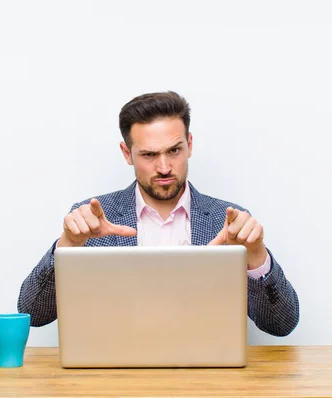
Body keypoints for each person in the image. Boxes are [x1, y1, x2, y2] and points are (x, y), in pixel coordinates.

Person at [17, 91, 299, 336]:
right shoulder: (92, 222)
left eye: (174, 150)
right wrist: (67, 247)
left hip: (208, 377)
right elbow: (33, 313)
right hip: (115, 379)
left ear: (190, 144)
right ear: (127, 154)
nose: (164, 167)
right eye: (149, 155)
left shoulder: (228, 223)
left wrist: (256, 256)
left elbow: (282, 324)